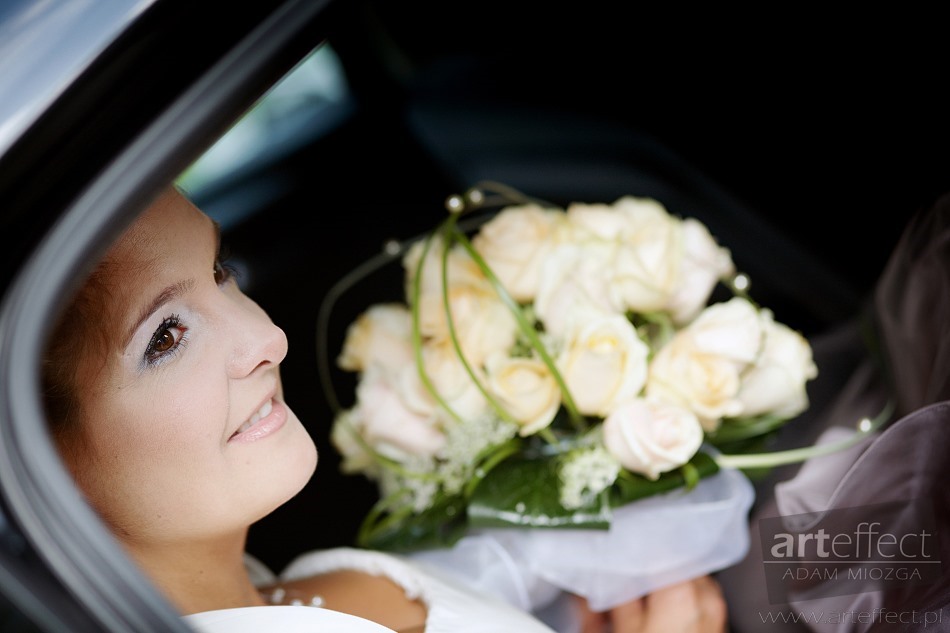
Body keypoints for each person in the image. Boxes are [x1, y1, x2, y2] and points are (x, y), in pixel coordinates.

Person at [41, 185, 728, 632]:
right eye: (166, 336)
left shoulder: (282, 588)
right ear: (41, 458)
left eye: (220, 271)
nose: (269, 339)